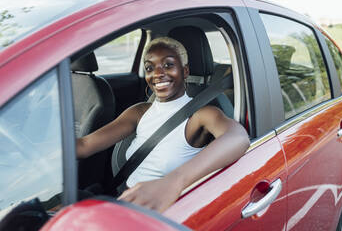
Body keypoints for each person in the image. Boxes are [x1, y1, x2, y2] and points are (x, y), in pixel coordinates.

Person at [76, 37, 250, 213]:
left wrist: (173, 182)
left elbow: (239, 137)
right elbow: (84, 145)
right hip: (124, 201)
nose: (157, 73)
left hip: (160, 210)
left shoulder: (200, 115)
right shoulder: (139, 111)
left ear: (185, 71)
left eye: (168, 65)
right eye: (150, 68)